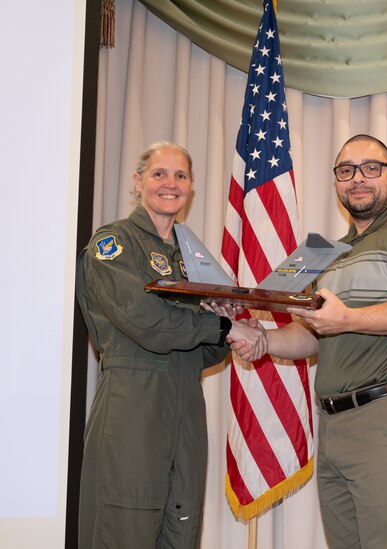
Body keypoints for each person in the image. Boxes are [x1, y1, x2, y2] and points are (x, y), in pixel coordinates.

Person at [229, 134, 387, 549]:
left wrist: (347, 317)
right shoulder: (329, 254)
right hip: (332, 426)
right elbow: (316, 336)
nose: (358, 179)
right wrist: (263, 340)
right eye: (346, 171)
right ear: (336, 183)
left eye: (371, 168)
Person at [75, 141, 265, 549]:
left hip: (185, 404)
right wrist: (223, 327)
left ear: (191, 186)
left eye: (180, 176)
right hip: (134, 402)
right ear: (138, 181)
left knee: (182, 525)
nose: (170, 184)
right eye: (159, 174)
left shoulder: (190, 259)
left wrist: (227, 318)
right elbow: (146, 322)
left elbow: (206, 349)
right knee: (126, 526)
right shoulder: (114, 245)